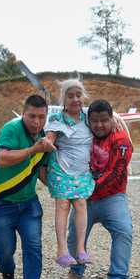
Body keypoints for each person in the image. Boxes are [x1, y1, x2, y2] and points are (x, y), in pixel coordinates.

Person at [0, 95, 53, 279]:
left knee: (33, 247)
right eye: (32, 116)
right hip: (0, 202)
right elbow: (2, 158)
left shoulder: (44, 137)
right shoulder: (11, 129)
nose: (36, 121)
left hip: (29, 203)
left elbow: (41, 172)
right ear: (23, 113)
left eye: (42, 117)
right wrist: (33, 149)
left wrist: (65, 190)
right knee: (6, 251)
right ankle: (7, 272)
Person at [63, 99, 137, 279]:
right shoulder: (83, 134)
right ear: (89, 121)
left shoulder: (121, 140)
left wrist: (87, 187)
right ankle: (76, 270)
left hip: (111, 197)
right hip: (84, 199)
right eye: (94, 120)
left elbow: (117, 173)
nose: (99, 125)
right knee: (73, 235)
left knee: (124, 231)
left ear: (112, 119)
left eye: (104, 120)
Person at [43, 78, 95, 268]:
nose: (75, 100)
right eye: (70, 96)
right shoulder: (57, 119)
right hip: (61, 167)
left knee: (81, 202)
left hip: (82, 170)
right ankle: (61, 251)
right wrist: (47, 142)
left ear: (84, 97)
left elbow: (113, 119)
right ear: (63, 99)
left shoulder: (89, 117)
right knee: (63, 204)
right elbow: (50, 137)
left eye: (78, 95)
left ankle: (81, 250)